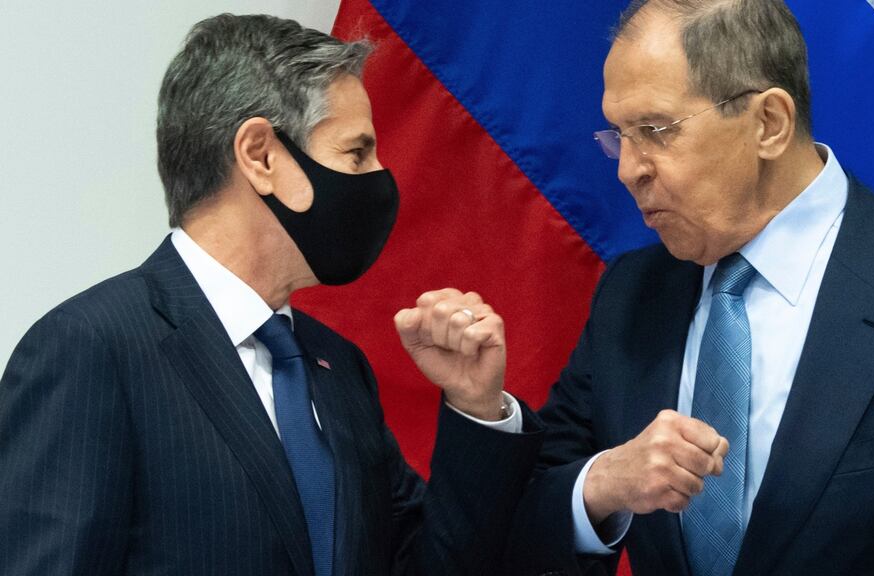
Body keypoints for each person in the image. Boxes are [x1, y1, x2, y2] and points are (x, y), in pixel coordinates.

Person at [0, 14, 543, 576]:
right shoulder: (91, 349)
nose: (379, 176)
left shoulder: (337, 367)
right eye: (356, 153)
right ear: (260, 155)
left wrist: (476, 407)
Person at [505, 0, 874, 575]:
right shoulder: (631, 295)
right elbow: (523, 522)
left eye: (655, 131)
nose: (629, 169)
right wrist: (605, 483)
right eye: (618, 136)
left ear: (769, 124)